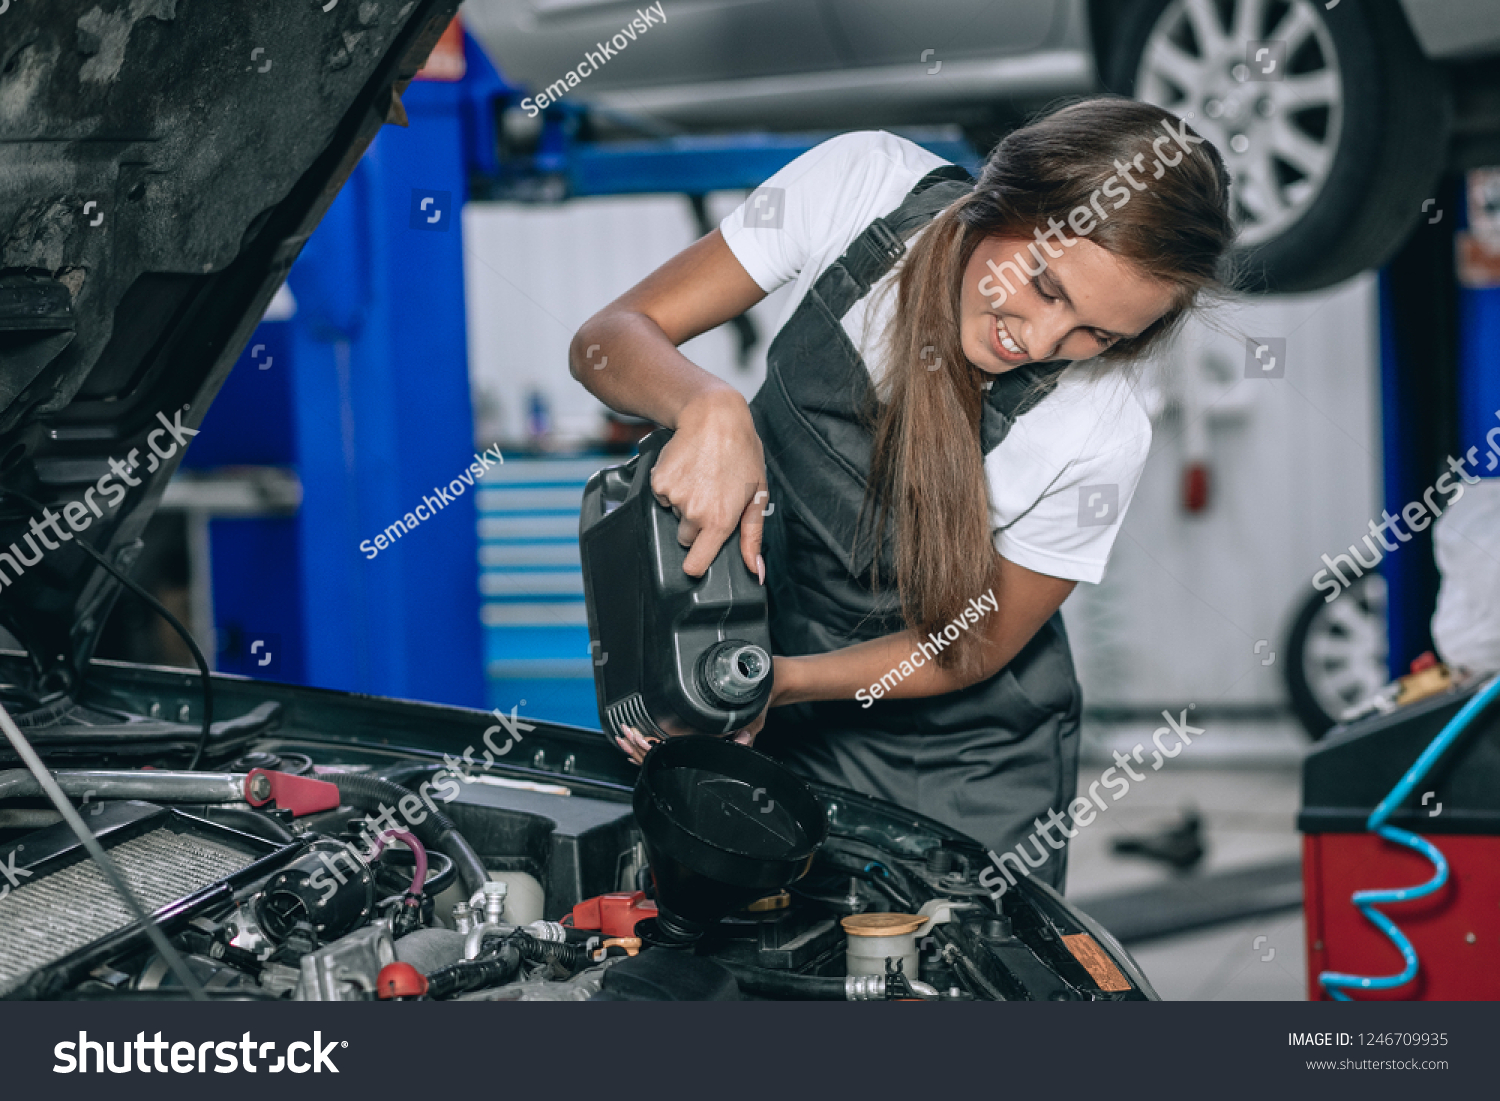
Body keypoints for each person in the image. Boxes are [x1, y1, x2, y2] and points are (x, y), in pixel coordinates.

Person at [569, 97, 1233, 890]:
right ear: (1006, 199)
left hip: (958, 756)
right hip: (769, 676)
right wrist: (706, 405)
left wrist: (785, 681)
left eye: (1099, 334)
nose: (1044, 343)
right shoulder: (860, 187)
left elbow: (973, 643)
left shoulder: (1101, 426)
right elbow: (605, 340)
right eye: (1048, 287)